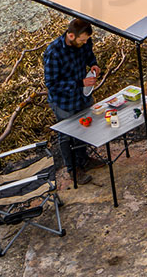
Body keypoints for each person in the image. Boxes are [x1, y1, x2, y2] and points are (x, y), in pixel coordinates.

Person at [44, 18, 105, 184]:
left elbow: (88, 55)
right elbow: (52, 84)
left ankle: (84, 159)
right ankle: (73, 170)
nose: (85, 43)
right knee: (67, 135)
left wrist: (93, 64)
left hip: (82, 96)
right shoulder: (54, 53)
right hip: (63, 102)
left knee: (84, 127)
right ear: (70, 35)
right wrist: (80, 83)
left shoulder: (85, 42)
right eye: (82, 40)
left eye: (87, 40)